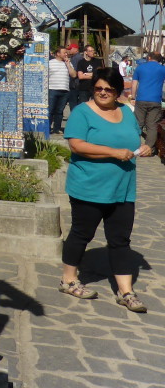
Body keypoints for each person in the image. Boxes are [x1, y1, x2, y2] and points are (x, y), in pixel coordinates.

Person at [59, 68, 152, 311]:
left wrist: (143, 148)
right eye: (99, 88)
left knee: (120, 240)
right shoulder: (82, 113)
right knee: (82, 234)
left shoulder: (126, 112)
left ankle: (126, 292)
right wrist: (112, 153)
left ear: (117, 92)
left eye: (108, 89)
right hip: (89, 186)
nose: (103, 92)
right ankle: (68, 280)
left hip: (122, 188)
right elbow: (77, 145)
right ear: (93, 89)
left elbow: (132, 139)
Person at [130, 52, 165, 149]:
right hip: (155, 100)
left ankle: (134, 146)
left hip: (141, 99)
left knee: (138, 123)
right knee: (152, 126)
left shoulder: (140, 68)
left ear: (149, 57)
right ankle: (148, 148)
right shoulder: (163, 69)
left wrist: (133, 97)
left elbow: (134, 84)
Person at [48, 47, 75, 135]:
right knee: (51, 109)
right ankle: (47, 128)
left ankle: (57, 128)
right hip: (53, 88)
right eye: (64, 53)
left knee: (59, 111)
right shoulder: (50, 63)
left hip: (65, 90)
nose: (66, 54)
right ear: (58, 54)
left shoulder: (68, 63)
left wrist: (68, 64)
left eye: (66, 53)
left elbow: (74, 75)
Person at [66, 43, 82, 109]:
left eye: (70, 49)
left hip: (75, 83)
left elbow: (74, 72)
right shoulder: (78, 57)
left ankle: (74, 116)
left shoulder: (76, 58)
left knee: (73, 102)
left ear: (76, 49)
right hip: (78, 83)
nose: (69, 51)